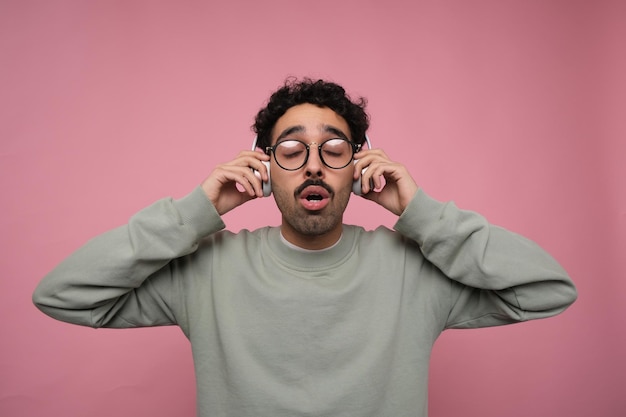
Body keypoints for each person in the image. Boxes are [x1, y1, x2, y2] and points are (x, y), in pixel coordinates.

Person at [33, 78, 577, 417]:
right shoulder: (205, 270)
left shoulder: (416, 270)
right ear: (265, 168)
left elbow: (548, 288)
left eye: (333, 148)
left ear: (358, 167)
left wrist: (422, 214)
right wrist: (195, 213)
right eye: (291, 149)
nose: (314, 164)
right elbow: (62, 294)